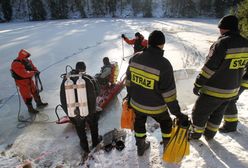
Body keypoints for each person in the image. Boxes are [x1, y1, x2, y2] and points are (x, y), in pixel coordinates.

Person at [126, 30, 188, 156]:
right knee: (166, 123)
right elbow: (169, 95)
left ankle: (141, 147)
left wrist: (130, 98)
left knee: (139, 122)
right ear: (162, 45)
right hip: (156, 108)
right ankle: (167, 147)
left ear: (148, 43)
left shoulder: (135, 58)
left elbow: (128, 82)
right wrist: (177, 113)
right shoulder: (164, 65)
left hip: (137, 103)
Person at [190, 15, 248, 140]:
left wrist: (198, 84)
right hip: (231, 91)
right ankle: (210, 134)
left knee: (199, 112)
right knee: (218, 113)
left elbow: (209, 68)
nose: (219, 31)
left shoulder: (222, 43)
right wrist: (241, 85)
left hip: (213, 90)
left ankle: (195, 134)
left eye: (220, 28)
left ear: (224, 28)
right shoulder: (245, 43)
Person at [60, 61, 101, 156]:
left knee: (80, 129)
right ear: (84, 69)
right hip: (90, 110)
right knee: (93, 126)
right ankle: (95, 142)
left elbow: (63, 98)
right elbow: (98, 92)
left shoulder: (66, 80)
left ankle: (85, 147)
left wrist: (70, 114)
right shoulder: (89, 78)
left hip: (75, 111)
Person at [11, 49, 48, 113]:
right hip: (22, 82)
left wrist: (36, 70)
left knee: (35, 91)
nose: (27, 58)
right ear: (22, 56)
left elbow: (32, 67)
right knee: (26, 95)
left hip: (29, 80)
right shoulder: (16, 64)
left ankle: (39, 103)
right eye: (26, 57)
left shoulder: (27, 60)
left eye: (27, 57)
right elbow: (24, 74)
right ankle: (30, 109)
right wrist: (33, 73)